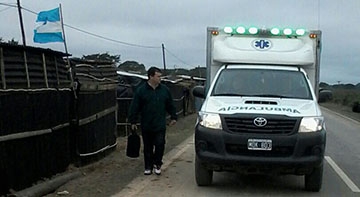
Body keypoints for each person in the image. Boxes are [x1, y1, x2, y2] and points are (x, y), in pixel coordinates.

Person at [128, 66, 177, 176]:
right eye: (158, 76)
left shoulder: (165, 90)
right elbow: (135, 106)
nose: (160, 78)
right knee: (148, 146)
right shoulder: (141, 91)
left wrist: (174, 116)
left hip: (160, 123)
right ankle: (148, 166)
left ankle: (157, 163)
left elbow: (170, 104)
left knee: (160, 144)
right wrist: (133, 121)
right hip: (146, 124)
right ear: (151, 76)